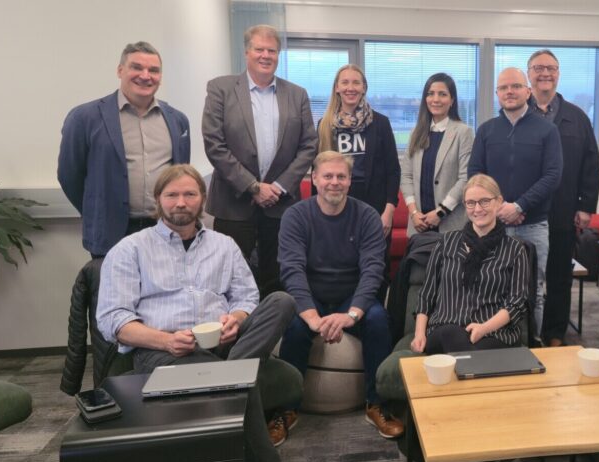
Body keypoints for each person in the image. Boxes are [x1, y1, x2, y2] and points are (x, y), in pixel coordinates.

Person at [95, 164, 345, 462]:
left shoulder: (224, 245)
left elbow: (247, 297)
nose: (181, 203)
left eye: (189, 194)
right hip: (166, 352)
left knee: (281, 301)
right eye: (172, 195)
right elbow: (114, 321)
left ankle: (231, 375)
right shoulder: (130, 249)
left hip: (227, 346)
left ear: (203, 200)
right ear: (158, 201)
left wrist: (237, 319)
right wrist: (165, 339)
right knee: (242, 388)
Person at [411, 173, 530, 462]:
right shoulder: (446, 243)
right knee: (453, 336)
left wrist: (484, 327)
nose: (477, 209)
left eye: (484, 201)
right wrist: (419, 333)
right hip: (444, 331)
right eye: (471, 203)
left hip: (494, 335)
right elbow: (427, 295)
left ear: (498, 203)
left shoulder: (515, 249)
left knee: (467, 351)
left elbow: (518, 303)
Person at [278, 151, 402, 440]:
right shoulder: (295, 216)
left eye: (341, 176)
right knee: (293, 327)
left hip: (352, 297)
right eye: (328, 176)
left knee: (378, 320)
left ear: (349, 181)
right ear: (314, 179)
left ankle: (377, 403)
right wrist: (311, 317)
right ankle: (285, 409)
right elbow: (292, 271)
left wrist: (351, 315)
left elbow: (373, 271)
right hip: (312, 297)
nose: (334, 182)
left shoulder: (367, 216)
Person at [202, 24, 317, 297]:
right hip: (233, 204)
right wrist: (253, 187)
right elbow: (214, 144)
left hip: (281, 205)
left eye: (272, 51)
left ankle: (274, 324)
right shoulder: (221, 88)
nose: (266, 55)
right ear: (247, 52)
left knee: (277, 279)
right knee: (228, 279)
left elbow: (309, 145)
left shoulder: (297, 94)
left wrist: (278, 187)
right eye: (259, 49)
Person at [58, 41, 190, 258]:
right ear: (120, 71)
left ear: (160, 76)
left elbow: (180, 174)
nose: (145, 76)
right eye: (137, 67)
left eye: (153, 70)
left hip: (165, 230)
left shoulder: (177, 120)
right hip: (111, 233)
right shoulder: (85, 118)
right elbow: (69, 176)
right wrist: (97, 211)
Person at [468, 67, 562, 339]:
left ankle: (531, 343)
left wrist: (519, 206)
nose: (509, 91)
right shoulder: (486, 131)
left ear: (528, 91)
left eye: (516, 86)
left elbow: (553, 175)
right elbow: (475, 174)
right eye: (503, 87)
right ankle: (493, 342)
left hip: (533, 226)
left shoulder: (547, 130)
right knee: (489, 288)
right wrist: (499, 210)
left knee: (534, 291)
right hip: (491, 226)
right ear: (497, 93)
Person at [527, 49, 599, 348]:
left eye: (551, 68)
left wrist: (586, 207)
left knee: (559, 276)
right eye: (538, 68)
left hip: (563, 212)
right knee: (525, 276)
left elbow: (590, 164)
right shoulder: (517, 114)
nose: (545, 73)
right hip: (526, 214)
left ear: (558, 74)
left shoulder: (577, 117)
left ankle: (556, 333)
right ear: (529, 74)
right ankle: (526, 332)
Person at [317, 64, 401, 240]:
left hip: (376, 207)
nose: (350, 88)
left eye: (356, 83)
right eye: (345, 82)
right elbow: (318, 173)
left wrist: (389, 211)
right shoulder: (324, 125)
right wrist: (318, 213)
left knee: (374, 256)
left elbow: (393, 171)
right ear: (337, 88)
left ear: (364, 88)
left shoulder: (381, 123)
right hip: (336, 204)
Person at [400, 72, 473, 237]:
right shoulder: (416, 132)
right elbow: (406, 176)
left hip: (450, 225)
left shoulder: (463, 132)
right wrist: (413, 213)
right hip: (419, 224)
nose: (436, 99)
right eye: (430, 94)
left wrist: (440, 212)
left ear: (452, 100)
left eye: (442, 94)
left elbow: (465, 178)